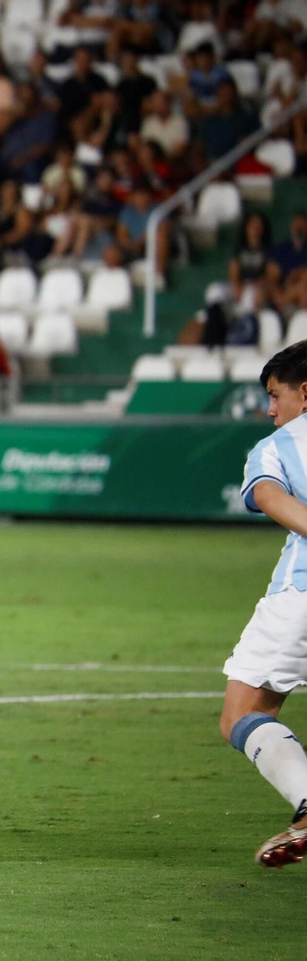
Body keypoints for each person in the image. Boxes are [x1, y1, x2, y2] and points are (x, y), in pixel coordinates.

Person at [222, 341, 307, 867]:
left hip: (300, 597)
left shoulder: (279, 444)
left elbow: (271, 497)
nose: (270, 409)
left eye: (276, 395)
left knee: (243, 712)